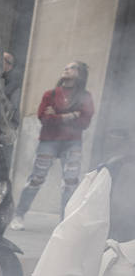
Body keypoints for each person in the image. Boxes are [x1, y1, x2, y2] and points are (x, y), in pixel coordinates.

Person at [11, 61, 94, 231]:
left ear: (80, 74)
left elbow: (85, 122)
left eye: (72, 68)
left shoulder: (85, 97)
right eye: (66, 66)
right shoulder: (50, 94)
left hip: (72, 142)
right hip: (49, 141)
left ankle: (65, 221)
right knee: (36, 179)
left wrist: (57, 116)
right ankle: (19, 214)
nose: (66, 68)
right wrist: (71, 115)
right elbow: (44, 118)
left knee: (70, 182)